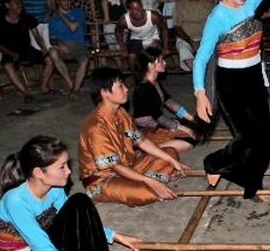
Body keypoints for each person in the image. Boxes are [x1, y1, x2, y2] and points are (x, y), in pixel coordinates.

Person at [0, 136, 142, 251]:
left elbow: (77, 223)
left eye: (67, 164)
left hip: (43, 249)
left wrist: (117, 236)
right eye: (61, 167)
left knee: (80, 202)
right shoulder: (16, 201)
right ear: (39, 173)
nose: (69, 171)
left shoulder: (55, 188)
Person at [192, 0, 270, 201]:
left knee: (264, 141)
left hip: (254, 77)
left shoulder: (250, 2)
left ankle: (253, 185)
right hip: (230, 82)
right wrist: (200, 94)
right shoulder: (217, 17)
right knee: (248, 138)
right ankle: (214, 162)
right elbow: (201, 58)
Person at [79, 67, 189, 206]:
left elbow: (141, 141)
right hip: (104, 179)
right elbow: (115, 167)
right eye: (120, 86)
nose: (126, 89)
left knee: (170, 153)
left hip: (129, 168)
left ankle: (142, 181)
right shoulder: (95, 126)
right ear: (105, 92)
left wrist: (172, 161)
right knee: (147, 193)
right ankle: (142, 184)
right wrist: (151, 181)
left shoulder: (121, 113)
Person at [0, 0, 63, 100]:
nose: (19, 5)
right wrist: (12, 54)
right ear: (7, 5)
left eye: (20, 3)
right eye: (16, 3)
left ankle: (44, 87)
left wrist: (43, 48)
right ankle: (25, 92)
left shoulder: (26, 18)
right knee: (7, 65)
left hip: (26, 49)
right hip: (9, 51)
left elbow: (36, 35)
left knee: (49, 59)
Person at [132, 46, 197, 154]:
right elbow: (157, 117)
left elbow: (169, 102)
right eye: (160, 61)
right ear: (150, 65)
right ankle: (149, 148)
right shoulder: (144, 88)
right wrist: (183, 128)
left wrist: (190, 118)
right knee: (188, 142)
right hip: (148, 127)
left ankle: (151, 145)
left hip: (157, 122)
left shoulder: (154, 82)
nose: (165, 63)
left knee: (193, 130)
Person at [48, 0, 90, 96]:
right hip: (62, 45)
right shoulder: (53, 19)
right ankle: (70, 84)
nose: (66, 2)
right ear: (58, 2)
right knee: (52, 52)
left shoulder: (78, 12)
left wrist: (61, 14)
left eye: (68, 0)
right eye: (63, 0)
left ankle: (75, 90)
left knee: (84, 60)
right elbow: (52, 38)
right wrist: (59, 44)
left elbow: (72, 27)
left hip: (78, 44)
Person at [114, 0, 169, 71]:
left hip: (153, 38)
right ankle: (136, 77)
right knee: (131, 57)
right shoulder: (124, 20)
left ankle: (155, 76)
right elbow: (118, 32)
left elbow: (164, 29)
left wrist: (165, 46)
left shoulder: (153, 16)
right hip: (136, 40)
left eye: (140, 7)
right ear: (129, 10)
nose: (140, 11)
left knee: (154, 57)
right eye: (136, 9)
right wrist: (122, 47)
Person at [172, 0, 212, 72]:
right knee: (182, 49)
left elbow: (213, 26)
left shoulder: (208, 4)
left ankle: (204, 76)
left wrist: (203, 40)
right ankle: (197, 74)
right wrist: (190, 41)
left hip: (204, 38)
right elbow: (177, 28)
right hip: (186, 39)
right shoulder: (180, 5)